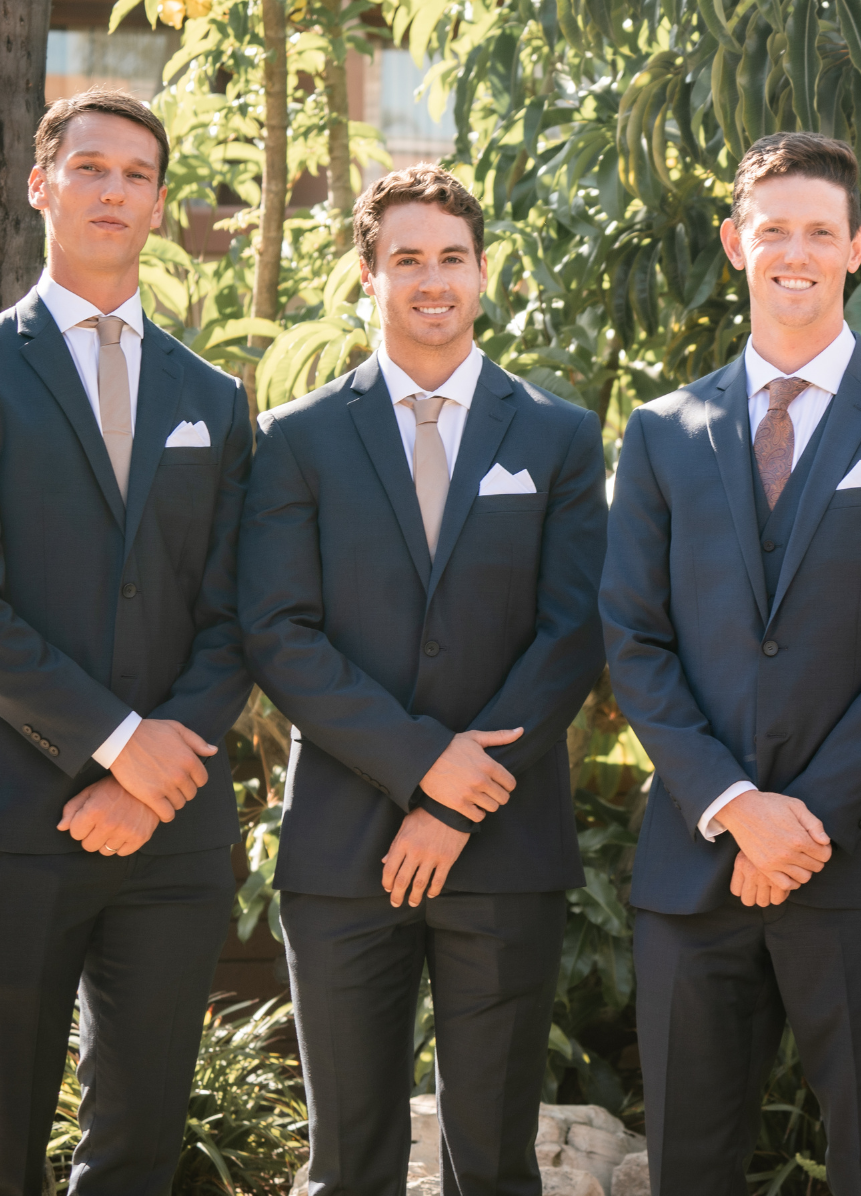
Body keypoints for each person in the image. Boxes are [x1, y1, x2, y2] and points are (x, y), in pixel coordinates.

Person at [600, 131, 861, 1196]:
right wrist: (732, 803)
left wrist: (802, 816)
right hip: (694, 858)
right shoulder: (661, 431)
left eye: (822, 231)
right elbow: (633, 638)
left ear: (859, 247)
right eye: (775, 230)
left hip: (855, 863)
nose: (797, 252)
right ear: (735, 242)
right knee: (690, 1164)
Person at [0, 88, 252, 1196]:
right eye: (91, 167)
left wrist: (154, 775)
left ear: (158, 206)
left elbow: (240, 608)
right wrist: (111, 744)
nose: (114, 189)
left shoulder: (214, 397)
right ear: (42, 183)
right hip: (21, 814)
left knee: (139, 1152)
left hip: (175, 833)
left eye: (137, 174)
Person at [238, 164, 607, 1195]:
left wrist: (458, 798)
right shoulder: (299, 438)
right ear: (368, 276)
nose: (431, 279)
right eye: (406, 259)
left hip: (506, 839)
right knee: (344, 1164)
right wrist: (421, 770)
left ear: (483, 274)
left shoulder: (558, 436)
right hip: (343, 847)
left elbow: (572, 630)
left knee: (493, 1163)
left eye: (451, 258)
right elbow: (279, 631)